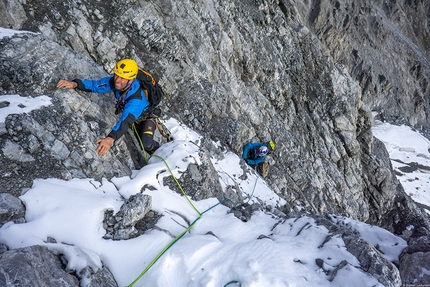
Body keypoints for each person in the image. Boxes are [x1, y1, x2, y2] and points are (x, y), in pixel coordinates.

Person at [56, 59, 160, 156]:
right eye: (116, 75)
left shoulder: (137, 99)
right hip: (133, 117)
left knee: (146, 144)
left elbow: (126, 120)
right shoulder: (115, 82)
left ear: (131, 80)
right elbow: (95, 85)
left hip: (145, 119)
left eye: (123, 78)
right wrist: (75, 84)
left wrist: (109, 139)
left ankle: (161, 151)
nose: (117, 80)